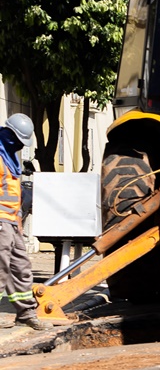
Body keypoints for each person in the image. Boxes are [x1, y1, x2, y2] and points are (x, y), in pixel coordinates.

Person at [0, 114, 51, 330]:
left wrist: (19, 219)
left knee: (21, 267)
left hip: (11, 222)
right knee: (1, 269)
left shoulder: (11, 159)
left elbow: (15, 193)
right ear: (10, 135)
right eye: (19, 140)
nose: (21, 146)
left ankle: (26, 312)